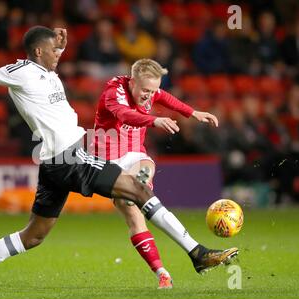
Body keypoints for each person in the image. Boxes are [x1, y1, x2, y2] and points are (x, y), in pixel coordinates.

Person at [0, 26, 238, 292]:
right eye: (53, 50)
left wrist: (61, 47)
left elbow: (54, 62)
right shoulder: (20, 73)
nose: (59, 53)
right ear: (38, 51)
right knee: (138, 191)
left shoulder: (47, 71)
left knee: (34, 236)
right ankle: (197, 253)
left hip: (53, 165)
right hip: (70, 159)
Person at [91, 58, 228, 287]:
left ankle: (195, 255)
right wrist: (155, 120)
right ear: (132, 81)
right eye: (145, 90)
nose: (148, 95)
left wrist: (192, 113)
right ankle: (161, 271)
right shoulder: (113, 92)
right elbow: (125, 116)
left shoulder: (149, 90)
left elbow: (163, 97)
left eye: (152, 90)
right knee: (133, 216)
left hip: (134, 154)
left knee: (146, 168)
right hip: (107, 162)